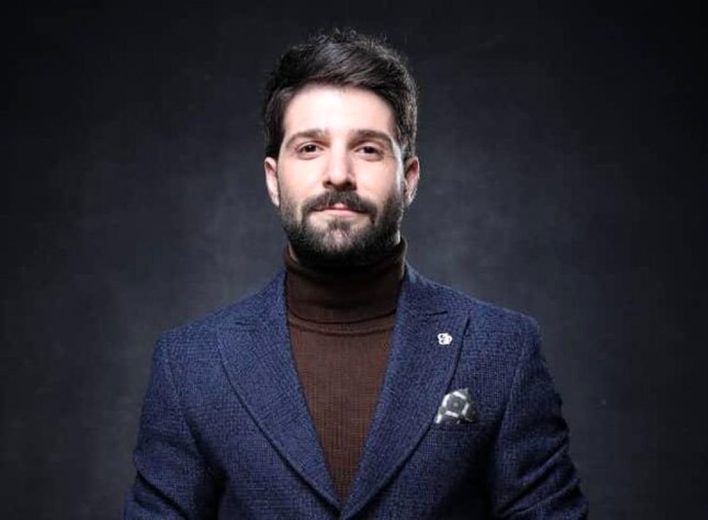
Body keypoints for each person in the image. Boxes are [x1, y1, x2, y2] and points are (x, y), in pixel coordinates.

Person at [125, 28, 588, 519]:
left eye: (368, 149)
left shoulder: (502, 350)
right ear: (273, 179)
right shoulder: (190, 364)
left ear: (408, 179)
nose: (339, 174)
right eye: (310, 148)